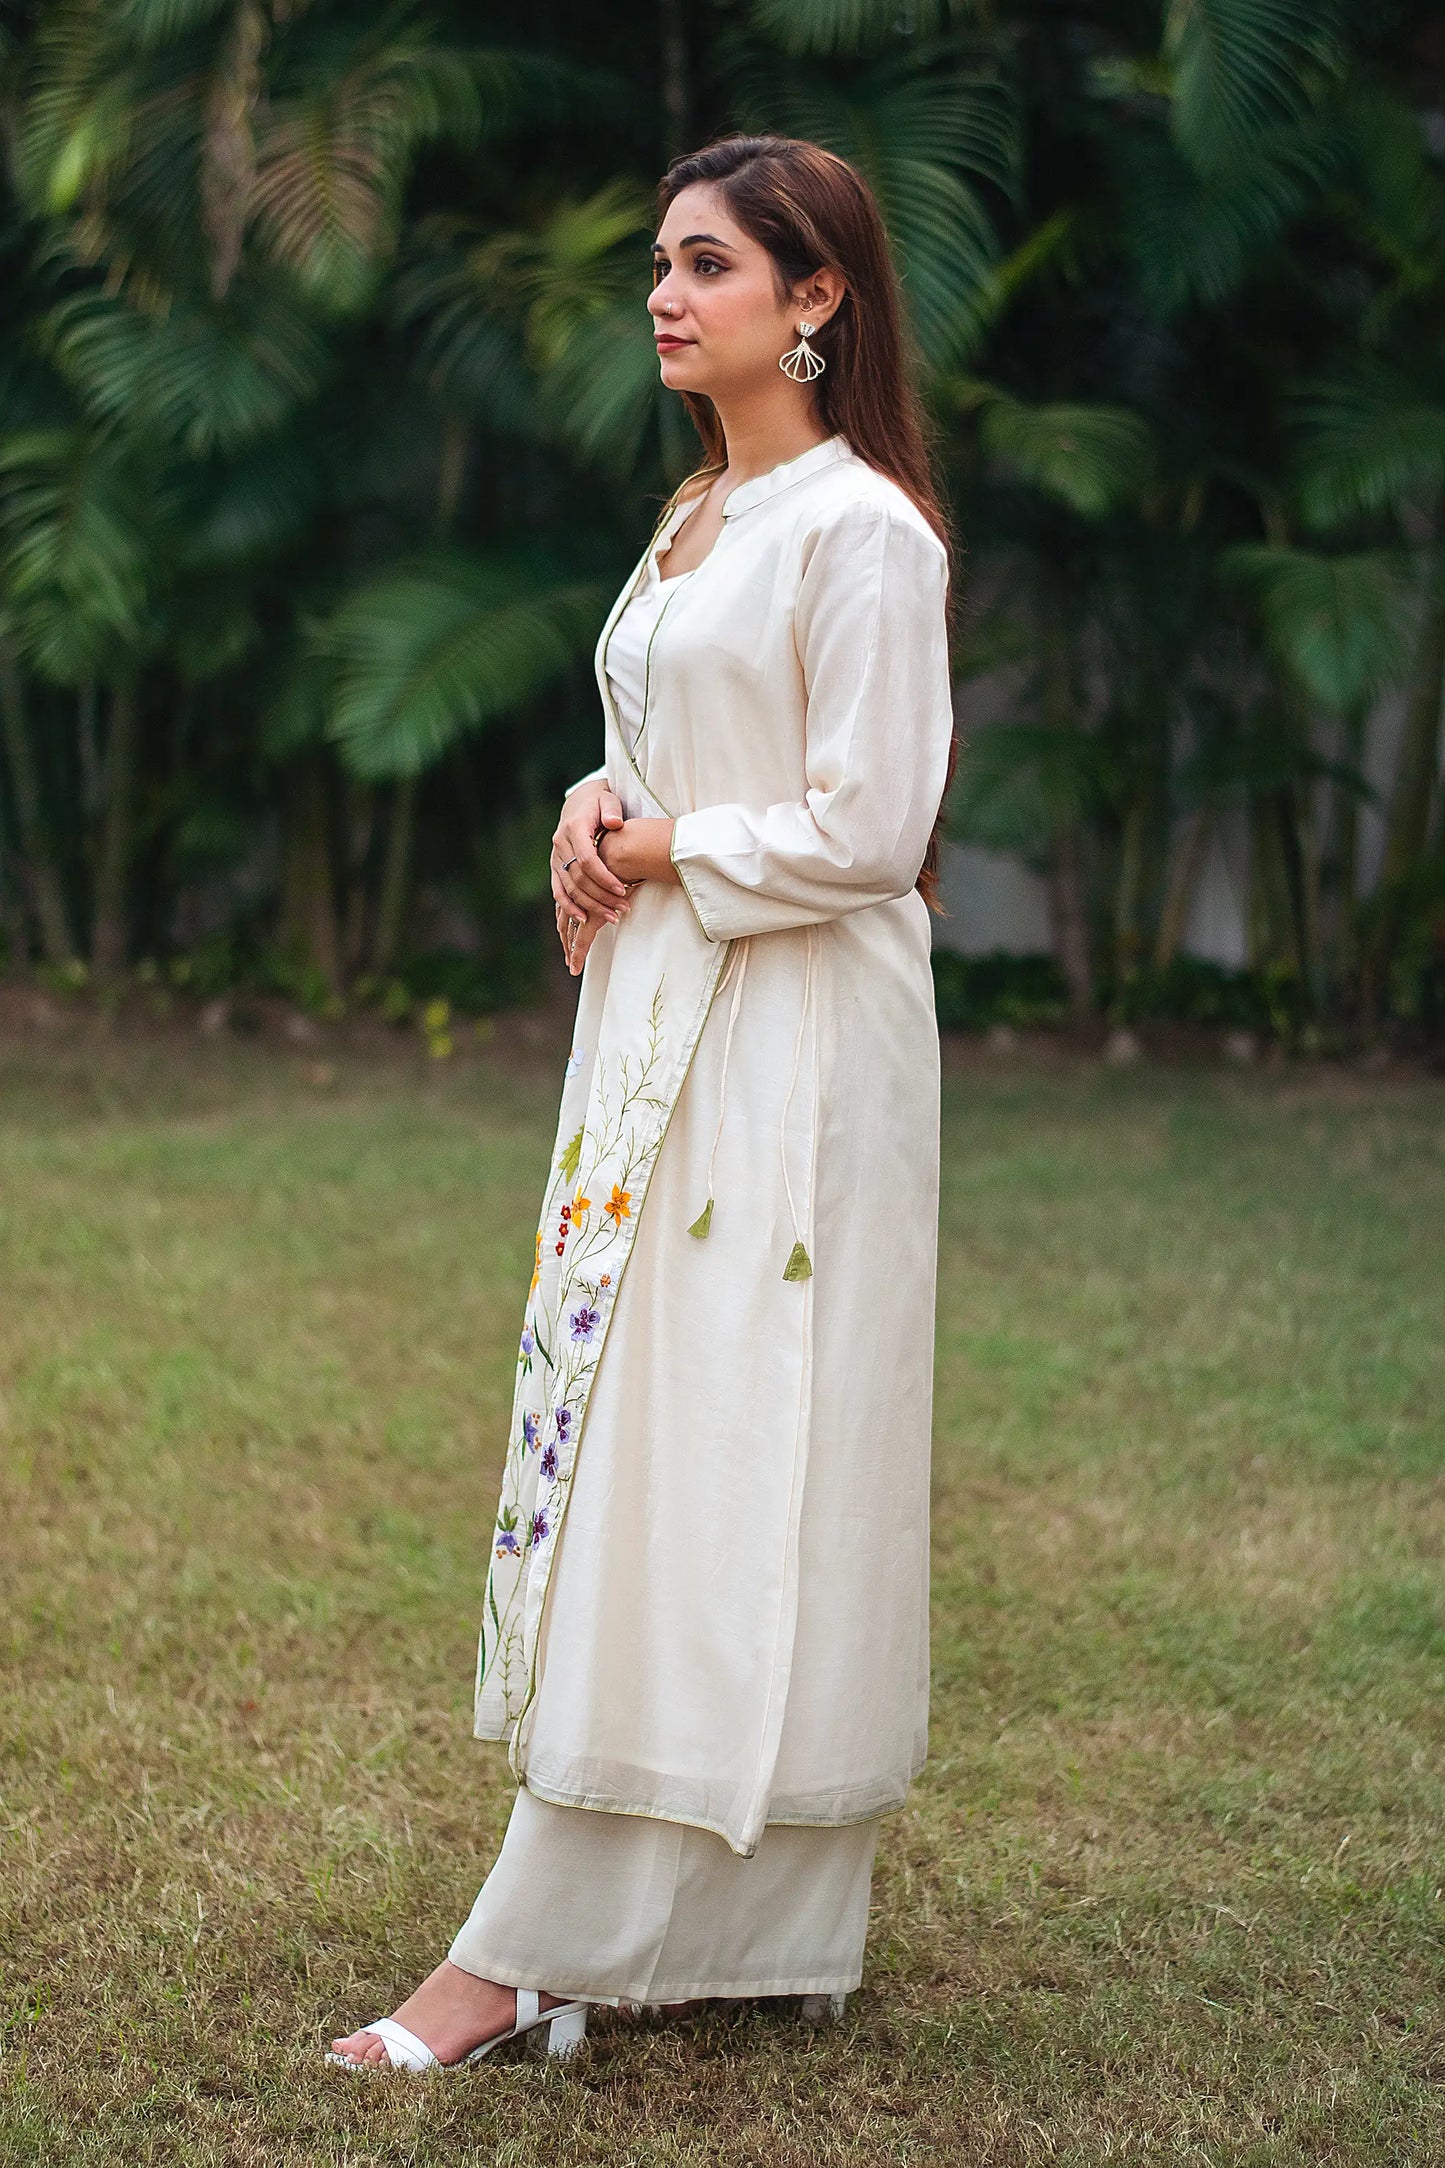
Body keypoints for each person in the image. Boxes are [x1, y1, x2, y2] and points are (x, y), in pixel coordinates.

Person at [329, 130, 959, 2075]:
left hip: (792, 1051)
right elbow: (647, 740)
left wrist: (665, 836)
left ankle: (532, 1948)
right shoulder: (699, 516)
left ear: (819, 297)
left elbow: (873, 826)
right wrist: (592, 813)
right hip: (666, 1024)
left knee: (737, 1445)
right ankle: (718, 1925)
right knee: (640, 1438)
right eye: (661, 265)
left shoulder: (866, 534)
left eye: (709, 265)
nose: (667, 296)